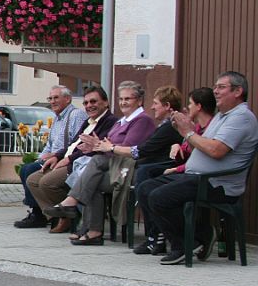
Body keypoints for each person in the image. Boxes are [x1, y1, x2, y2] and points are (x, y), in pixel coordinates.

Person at [136, 71, 258, 265]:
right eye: (215, 87)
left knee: (159, 197)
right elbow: (199, 146)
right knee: (145, 188)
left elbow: (217, 150)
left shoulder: (241, 117)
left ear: (238, 91)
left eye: (221, 87)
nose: (215, 91)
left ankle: (185, 243)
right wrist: (185, 132)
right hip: (197, 177)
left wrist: (188, 132)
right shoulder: (221, 116)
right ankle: (200, 235)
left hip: (217, 183)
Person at [45, 82, 172, 246]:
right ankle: (92, 230)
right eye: (121, 99)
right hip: (113, 167)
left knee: (95, 164)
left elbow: (127, 149)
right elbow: (108, 145)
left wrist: (104, 147)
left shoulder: (142, 121)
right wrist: (97, 145)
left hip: (129, 170)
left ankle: (76, 208)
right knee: (93, 179)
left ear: (139, 101)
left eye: (128, 99)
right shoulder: (122, 122)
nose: (123, 102)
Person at [133, 87, 216, 255]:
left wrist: (176, 167)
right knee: (146, 182)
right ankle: (159, 235)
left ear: (198, 106)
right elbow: (191, 153)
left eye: (190, 104)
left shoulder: (202, 128)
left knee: (155, 190)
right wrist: (179, 146)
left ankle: (188, 237)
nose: (187, 108)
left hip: (205, 178)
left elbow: (205, 157)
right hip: (188, 171)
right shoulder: (195, 128)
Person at [26, 85, 117, 233]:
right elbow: (73, 144)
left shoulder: (109, 121)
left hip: (82, 164)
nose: (89, 106)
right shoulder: (88, 122)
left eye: (93, 101)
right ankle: (62, 216)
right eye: (86, 103)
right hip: (69, 160)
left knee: (46, 183)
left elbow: (93, 148)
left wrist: (68, 159)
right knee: (32, 180)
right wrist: (57, 156)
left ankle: (69, 213)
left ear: (106, 102)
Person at [13, 85, 86, 227]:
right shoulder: (57, 119)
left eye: (56, 98)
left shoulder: (76, 115)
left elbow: (76, 142)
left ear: (68, 99)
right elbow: (49, 145)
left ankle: (39, 214)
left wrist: (57, 156)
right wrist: (41, 157)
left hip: (65, 159)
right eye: (50, 98)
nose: (52, 101)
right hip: (53, 158)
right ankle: (43, 212)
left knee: (29, 171)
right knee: (27, 168)